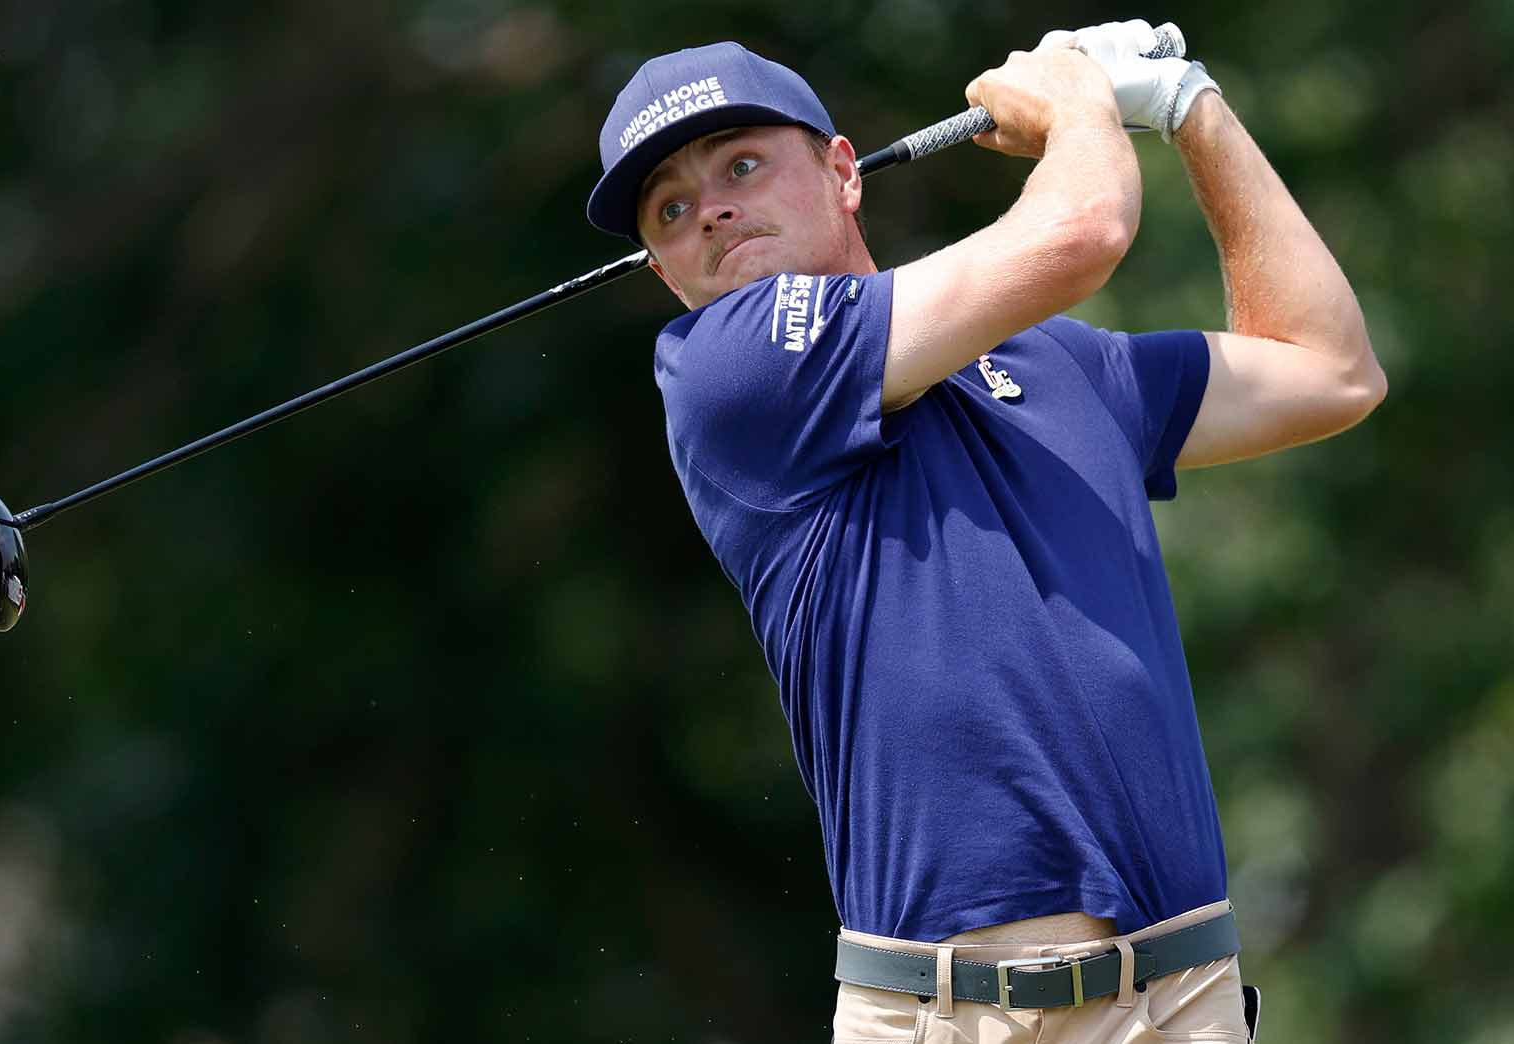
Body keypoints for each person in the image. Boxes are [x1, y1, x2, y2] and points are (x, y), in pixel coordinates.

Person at [586, 22, 1384, 1043]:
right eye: (672, 207)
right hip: (945, 1015)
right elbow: (1082, 231)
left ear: (844, 174)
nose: (714, 209)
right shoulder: (723, 374)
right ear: (661, 270)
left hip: (1180, 997)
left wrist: (1191, 109)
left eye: (741, 163)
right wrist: (1077, 100)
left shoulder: (1055, 364)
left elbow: (1329, 368)